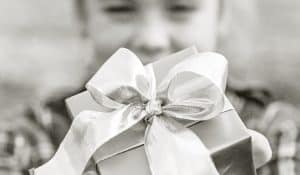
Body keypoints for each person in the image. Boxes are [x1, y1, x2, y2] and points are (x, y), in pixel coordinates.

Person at [28, 0, 272, 174]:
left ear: (221, 14)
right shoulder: (29, 138)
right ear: (82, 17)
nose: (152, 39)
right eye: (119, 9)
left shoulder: (279, 131)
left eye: (181, 8)